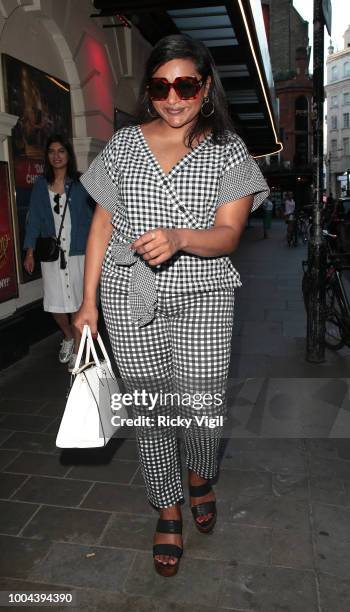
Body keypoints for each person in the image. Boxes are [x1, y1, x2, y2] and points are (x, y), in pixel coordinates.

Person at [75, 34, 269, 577]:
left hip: (203, 292)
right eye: (161, 86)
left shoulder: (227, 149)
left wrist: (181, 237)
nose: (174, 97)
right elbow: (101, 225)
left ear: (205, 87)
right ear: (150, 90)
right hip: (126, 294)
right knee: (150, 409)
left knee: (200, 409)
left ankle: (200, 473)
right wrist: (87, 302)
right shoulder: (125, 144)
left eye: (186, 84)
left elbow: (229, 235)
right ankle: (166, 506)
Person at [23, 134, 94, 371]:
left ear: (68, 155)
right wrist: (30, 251)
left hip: (77, 254)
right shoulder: (40, 187)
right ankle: (68, 336)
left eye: (61, 151)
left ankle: (77, 350)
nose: (56, 156)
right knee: (54, 304)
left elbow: (97, 216)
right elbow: (33, 220)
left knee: (77, 302)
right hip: (52, 255)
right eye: (52, 151)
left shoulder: (81, 183)